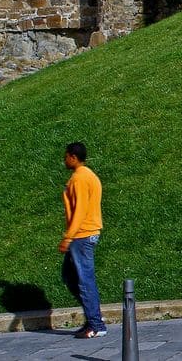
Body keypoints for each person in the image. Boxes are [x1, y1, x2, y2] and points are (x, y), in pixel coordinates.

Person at [59, 142, 105, 339]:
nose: (65, 160)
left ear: (73, 157)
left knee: (84, 280)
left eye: (66, 156)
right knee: (70, 276)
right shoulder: (90, 175)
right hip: (87, 232)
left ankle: (96, 324)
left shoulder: (79, 178)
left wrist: (68, 237)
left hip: (81, 235)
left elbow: (80, 211)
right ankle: (92, 317)